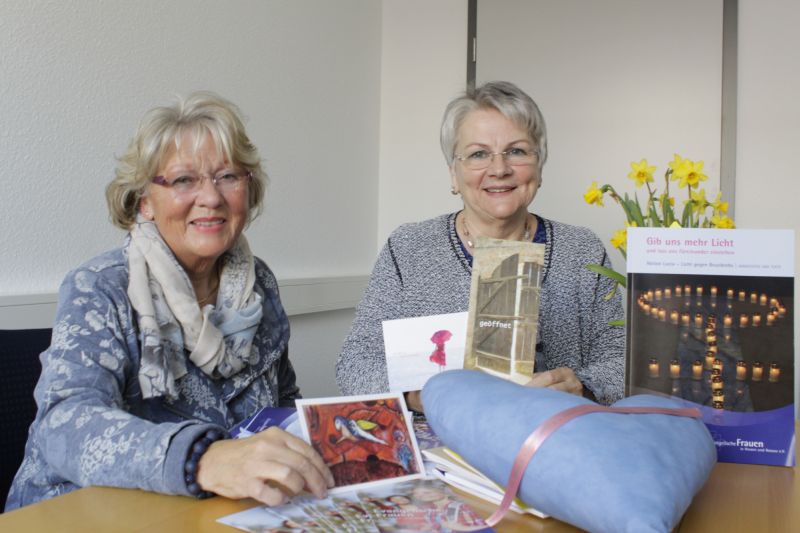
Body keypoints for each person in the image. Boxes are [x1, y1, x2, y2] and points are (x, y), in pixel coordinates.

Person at [6, 92, 334, 511]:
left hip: (218, 512)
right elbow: (63, 427)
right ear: (144, 200)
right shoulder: (101, 286)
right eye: (183, 180)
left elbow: (283, 398)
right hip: (84, 511)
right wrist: (203, 458)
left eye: (228, 176)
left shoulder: (259, 283)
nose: (211, 197)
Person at [336, 81, 624, 411]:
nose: (499, 169)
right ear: (453, 175)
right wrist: (427, 395)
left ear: (539, 166)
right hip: (441, 442)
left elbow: (621, 360)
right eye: (478, 154)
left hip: (555, 438)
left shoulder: (583, 251)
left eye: (517, 151)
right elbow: (355, 363)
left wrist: (584, 388)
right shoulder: (408, 248)